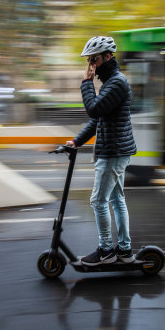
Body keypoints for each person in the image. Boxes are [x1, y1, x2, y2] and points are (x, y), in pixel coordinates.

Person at [66, 36, 137, 266]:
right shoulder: (111, 83)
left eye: (94, 60)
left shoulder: (116, 83)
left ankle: (106, 250)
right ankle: (124, 250)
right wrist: (77, 141)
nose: (91, 66)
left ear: (107, 56)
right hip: (114, 151)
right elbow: (100, 120)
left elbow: (94, 110)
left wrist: (86, 84)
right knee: (117, 200)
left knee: (98, 201)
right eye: (89, 61)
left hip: (113, 153)